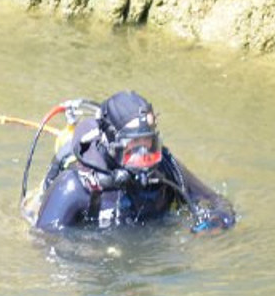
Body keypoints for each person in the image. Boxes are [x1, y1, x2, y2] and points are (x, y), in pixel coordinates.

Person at [31, 90, 236, 233]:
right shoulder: (75, 186)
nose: (144, 158)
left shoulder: (165, 168)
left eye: (149, 145)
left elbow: (217, 201)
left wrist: (215, 223)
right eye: (133, 147)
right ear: (111, 145)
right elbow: (44, 242)